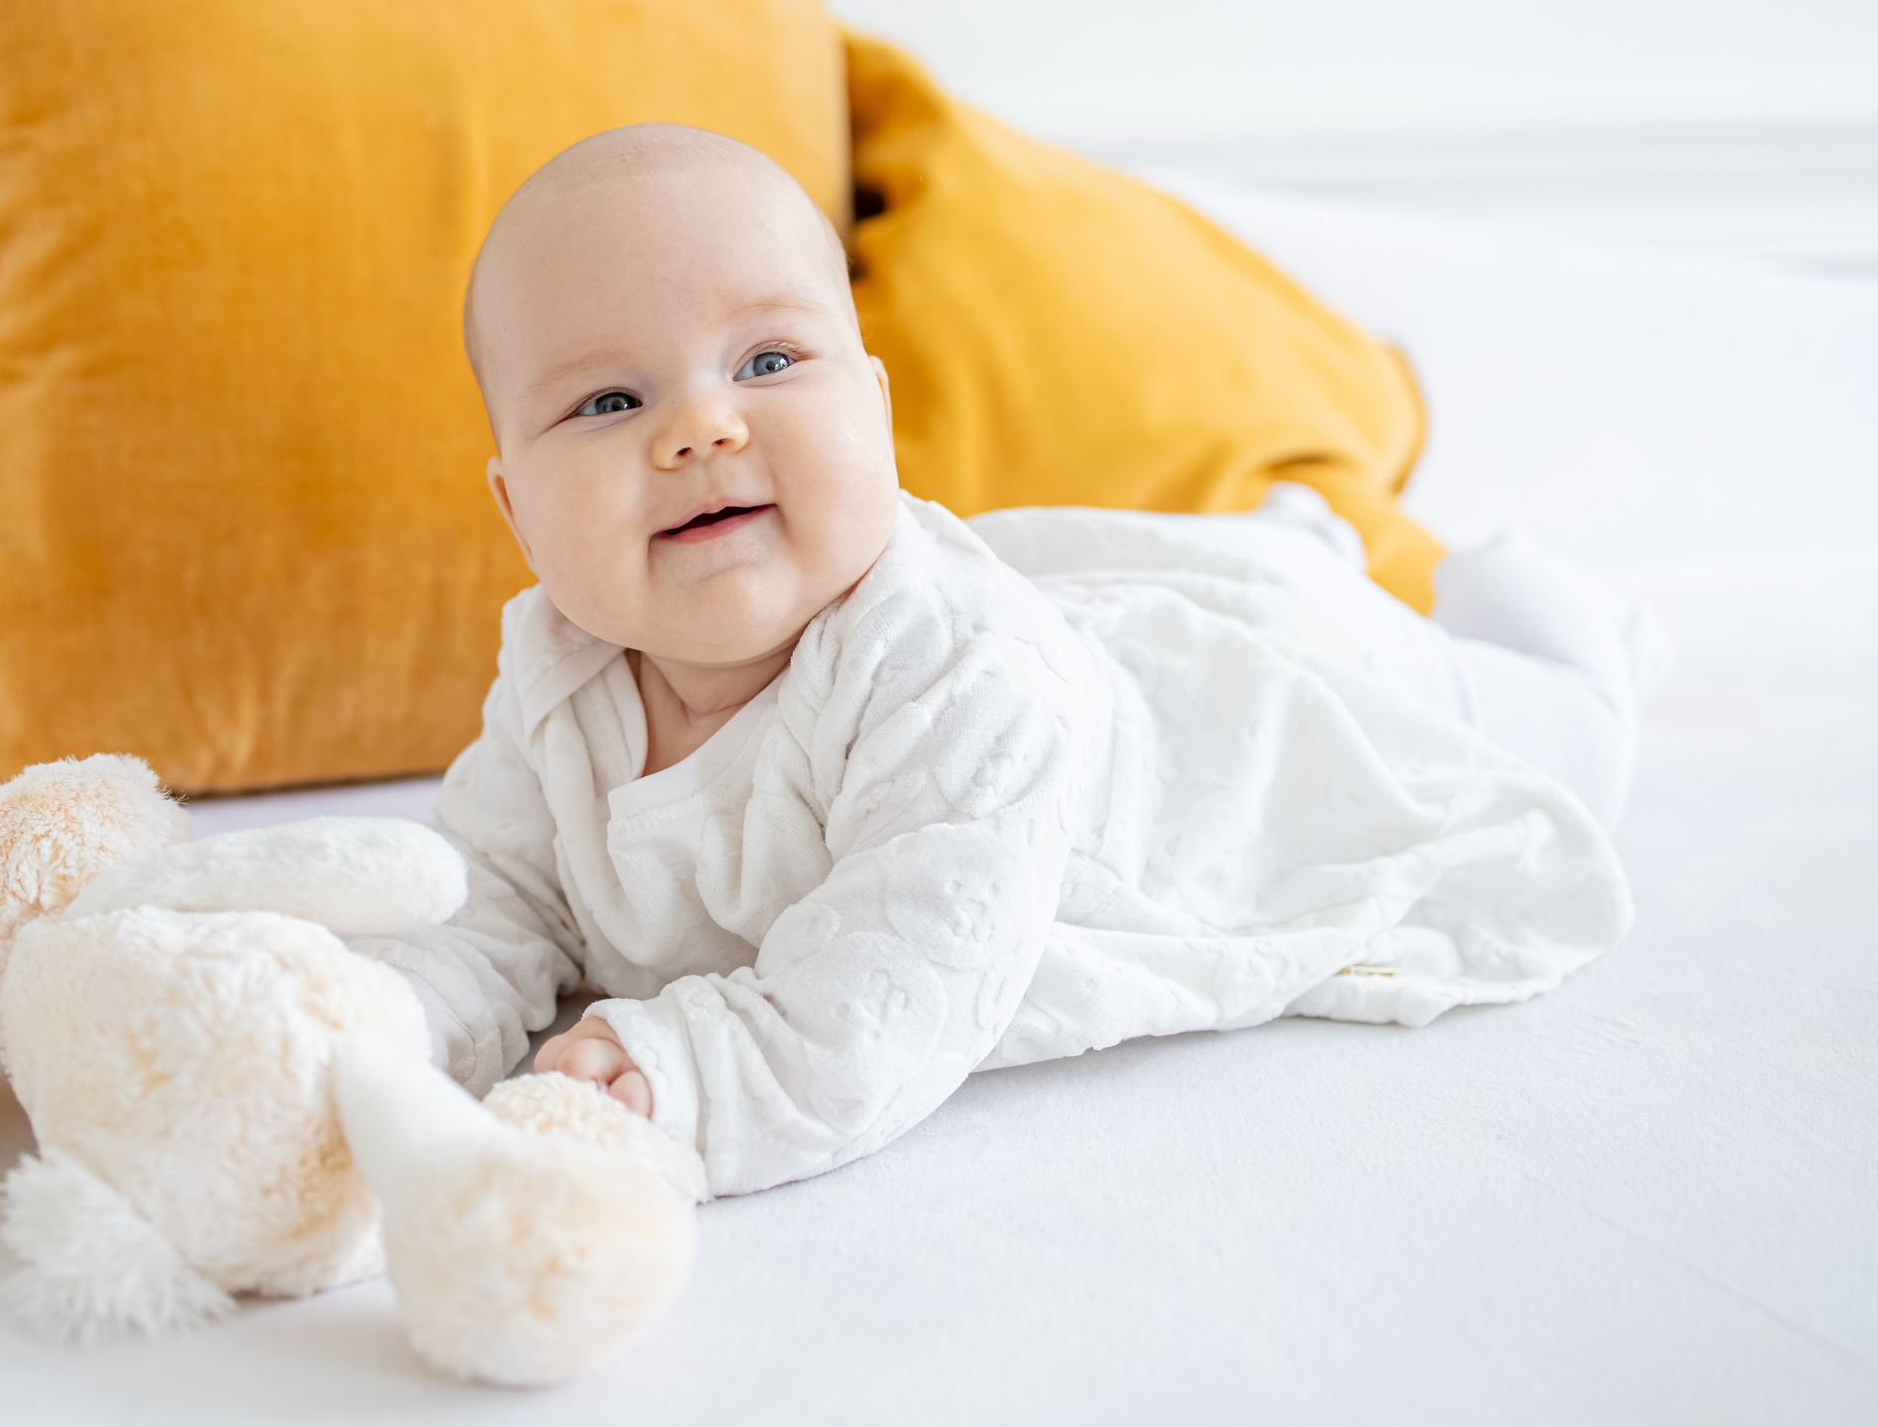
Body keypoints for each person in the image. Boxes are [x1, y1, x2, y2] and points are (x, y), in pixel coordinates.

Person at [349, 124, 1644, 1200]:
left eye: (767, 360)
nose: (700, 425)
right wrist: (385, 1027)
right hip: (1101, 626)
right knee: (1271, 576)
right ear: (517, 511)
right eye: (610, 402)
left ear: (873, 402)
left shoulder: (952, 675)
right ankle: (1304, 546)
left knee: (1517, 737)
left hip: (1228, 746)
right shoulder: (557, 680)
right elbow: (492, 901)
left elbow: (898, 983)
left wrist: (677, 1072)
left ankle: (1552, 624)